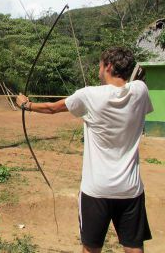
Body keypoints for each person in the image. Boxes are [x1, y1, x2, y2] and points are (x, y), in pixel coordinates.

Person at [16, 47, 153, 253]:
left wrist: (27, 105)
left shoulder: (89, 95)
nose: (99, 70)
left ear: (108, 66)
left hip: (96, 189)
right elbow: (135, 84)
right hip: (130, 189)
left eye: (100, 65)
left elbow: (53, 108)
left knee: (90, 248)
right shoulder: (140, 91)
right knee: (134, 248)